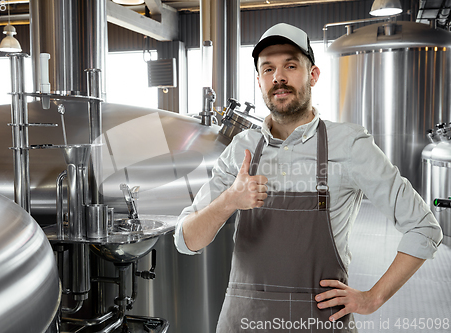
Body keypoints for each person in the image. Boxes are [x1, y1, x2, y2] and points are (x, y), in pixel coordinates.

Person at [174, 23, 443, 332]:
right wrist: (229, 202)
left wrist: (372, 299)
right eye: (268, 69)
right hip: (244, 321)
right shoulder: (241, 150)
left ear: (313, 74)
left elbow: (423, 228)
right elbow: (185, 240)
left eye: (290, 65)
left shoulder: (349, 144)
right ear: (260, 80)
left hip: (319, 323)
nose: (279, 78)